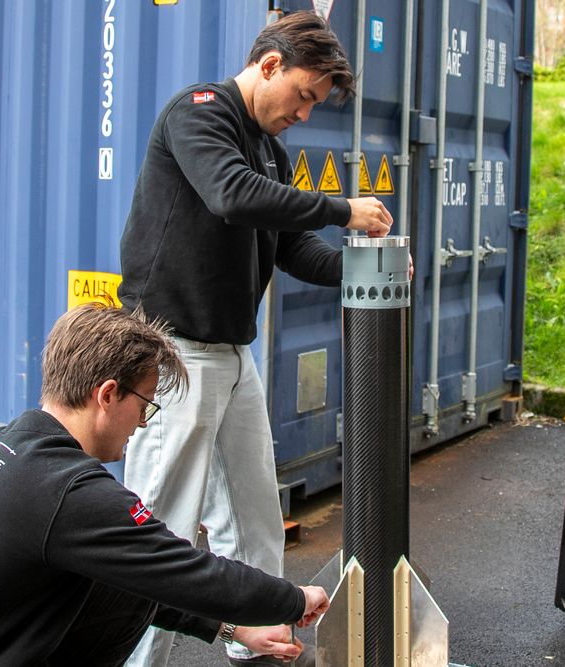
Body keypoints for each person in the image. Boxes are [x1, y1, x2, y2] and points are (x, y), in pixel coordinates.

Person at [0, 303, 330, 666]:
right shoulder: (65, 492)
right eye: (145, 403)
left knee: (122, 573)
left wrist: (232, 627)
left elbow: (143, 574)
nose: (144, 422)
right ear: (108, 394)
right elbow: (188, 570)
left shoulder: (18, 445)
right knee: (139, 567)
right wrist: (294, 599)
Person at [117, 11, 394, 666]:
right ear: (270, 65)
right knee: (163, 526)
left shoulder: (272, 150)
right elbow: (232, 196)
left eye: (314, 105)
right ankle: (135, 659)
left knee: (256, 520)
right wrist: (342, 207)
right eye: (303, 95)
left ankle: (260, 644)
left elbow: (290, 244)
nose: (304, 113)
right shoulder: (200, 113)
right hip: (171, 352)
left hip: (232, 353)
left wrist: (363, 265)